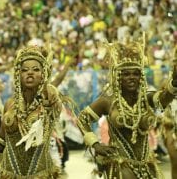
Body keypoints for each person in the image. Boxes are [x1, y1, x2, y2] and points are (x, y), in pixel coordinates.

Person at [75, 41, 177, 178]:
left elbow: (163, 99)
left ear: (140, 77)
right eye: (126, 74)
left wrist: (174, 84)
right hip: (120, 166)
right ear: (118, 77)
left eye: (135, 74)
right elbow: (82, 119)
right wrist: (95, 144)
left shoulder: (146, 99)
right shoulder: (107, 101)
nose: (131, 78)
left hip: (146, 165)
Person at [0, 45, 64, 178]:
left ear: (43, 74)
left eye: (36, 69)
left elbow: (54, 97)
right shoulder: (10, 104)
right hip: (9, 174)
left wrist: (50, 89)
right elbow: (1, 137)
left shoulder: (49, 102)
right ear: (18, 75)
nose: (30, 73)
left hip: (41, 175)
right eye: (25, 70)